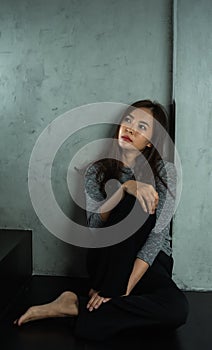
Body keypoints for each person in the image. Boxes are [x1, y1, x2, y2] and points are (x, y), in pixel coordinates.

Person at [14, 100, 189, 341]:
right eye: (128, 121)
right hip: (108, 257)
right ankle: (105, 306)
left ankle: (73, 305)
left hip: (149, 263)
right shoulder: (96, 171)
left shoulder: (165, 171)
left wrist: (121, 290)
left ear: (150, 141)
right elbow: (96, 228)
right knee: (132, 201)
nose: (130, 128)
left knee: (177, 309)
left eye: (141, 126)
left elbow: (157, 236)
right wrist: (124, 188)